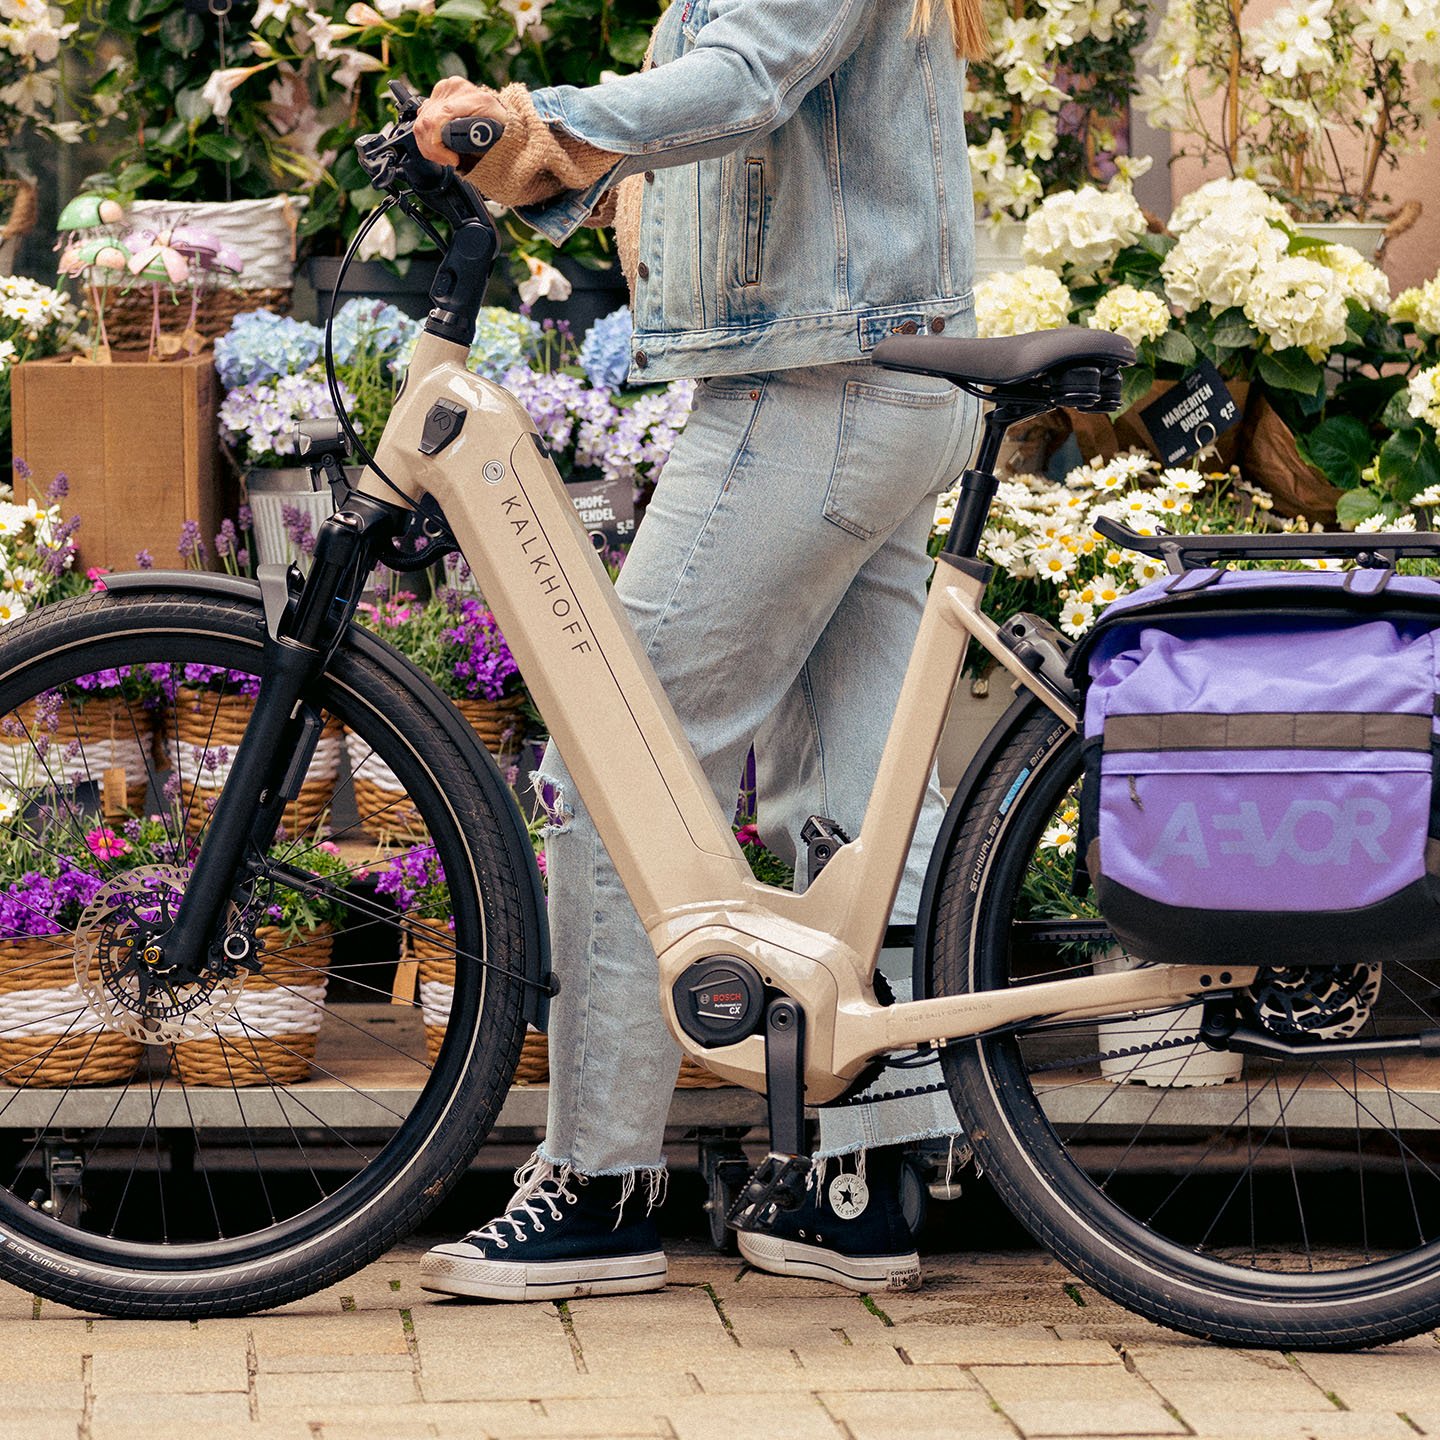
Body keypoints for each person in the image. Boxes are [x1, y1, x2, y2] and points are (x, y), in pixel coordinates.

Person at [413, 0, 986, 1304]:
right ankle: (863, 1184)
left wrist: (551, 122)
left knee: (622, 766)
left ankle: (603, 1183)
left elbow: (746, 81)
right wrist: (540, 156)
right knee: (853, 791)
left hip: (818, 382)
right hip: (872, 370)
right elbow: (737, 113)